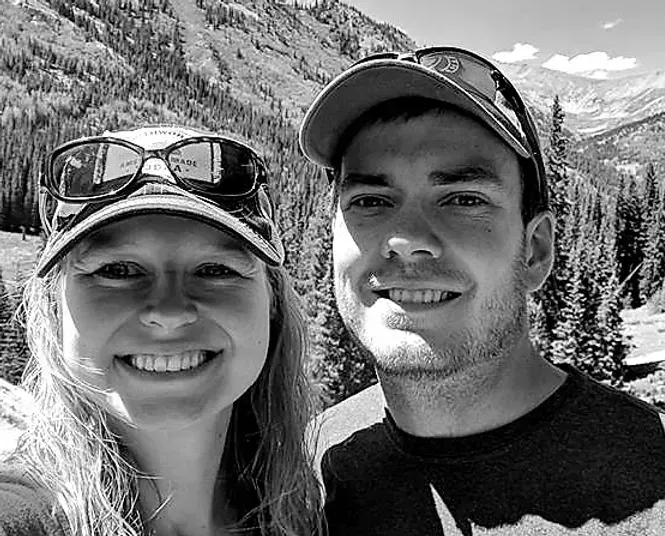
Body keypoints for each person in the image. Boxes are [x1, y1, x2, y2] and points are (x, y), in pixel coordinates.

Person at [299, 47, 665, 534]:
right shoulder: (309, 468)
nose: (405, 240)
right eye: (370, 201)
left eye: (463, 199)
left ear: (535, 251)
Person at [0, 125, 322, 536]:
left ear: (271, 303)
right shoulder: (21, 517)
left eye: (215, 270)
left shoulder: (310, 513)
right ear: (53, 306)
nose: (168, 313)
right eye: (117, 270)